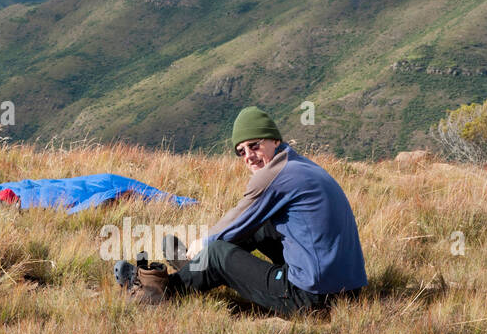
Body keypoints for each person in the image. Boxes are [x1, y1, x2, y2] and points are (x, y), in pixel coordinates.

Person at [117, 106, 367, 314]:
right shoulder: (300, 165)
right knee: (263, 227)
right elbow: (246, 222)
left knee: (216, 252)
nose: (249, 155)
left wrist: (202, 244)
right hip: (350, 291)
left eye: (255, 145)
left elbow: (237, 218)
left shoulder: (274, 175)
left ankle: (161, 290)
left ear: (275, 140)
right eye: (241, 151)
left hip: (312, 298)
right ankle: (197, 270)